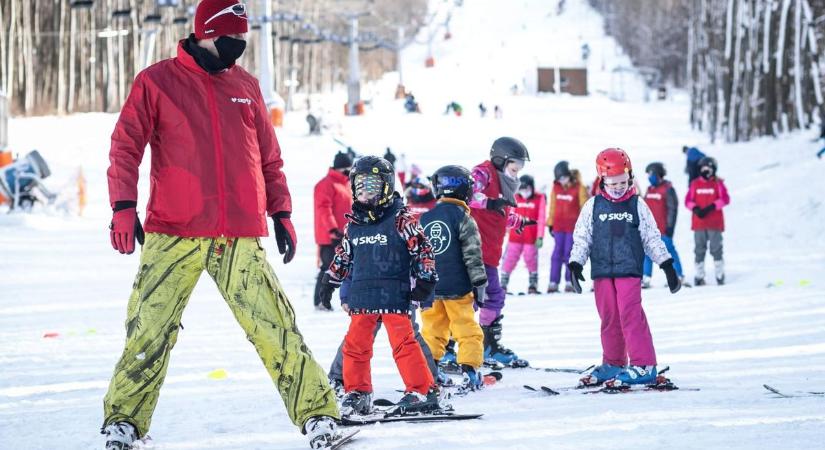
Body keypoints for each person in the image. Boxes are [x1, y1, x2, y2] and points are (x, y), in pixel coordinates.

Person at [102, 1, 340, 449]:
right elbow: (125, 146)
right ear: (207, 32)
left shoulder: (246, 86)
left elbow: (269, 158)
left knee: (274, 325)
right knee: (149, 328)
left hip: (239, 233)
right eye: (233, 37)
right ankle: (125, 422)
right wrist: (123, 205)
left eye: (244, 39)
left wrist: (281, 211)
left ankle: (318, 415)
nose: (240, 46)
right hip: (174, 229)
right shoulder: (157, 82)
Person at [318, 156, 440, 416]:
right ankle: (357, 392)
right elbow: (343, 255)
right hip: (363, 295)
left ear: (385, 186)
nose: (364, 192)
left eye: (371, 185)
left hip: (394, 294)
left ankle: (421, 391)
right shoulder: (355, 224)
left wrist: (426, 279)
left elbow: (422, 250)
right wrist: (330, 280)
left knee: (404, 344)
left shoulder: (401, 218)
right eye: (359, 186)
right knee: (355, 345)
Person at [568, 148, 681, 387]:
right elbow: (582, 238)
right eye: (613, 182)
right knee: (609, 318)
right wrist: (576, 263)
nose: (619, 186)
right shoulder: (593, 206)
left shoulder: (637, 204)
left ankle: (644, 365)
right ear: (602, 179)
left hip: (629, 270)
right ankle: (614, 363)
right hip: (601, 272)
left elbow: (651, 237)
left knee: (630, 315)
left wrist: (667, 265)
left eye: (623, 181)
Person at [420, 165, 488, 390]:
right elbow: (473, 254)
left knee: (432, 330)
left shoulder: (425, 218)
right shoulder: (464, 218)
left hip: (430, 288)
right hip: (458, 287)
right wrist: (479, 283)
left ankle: (429, 371)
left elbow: (417, 254)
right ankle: (470, 371)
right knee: (466, 328)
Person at [469, 137, 533, 367]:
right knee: (469, 300)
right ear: (500, 160)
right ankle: (448, 347)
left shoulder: (503, 186)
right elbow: (466, 195)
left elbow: (501, 215)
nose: (516, 176)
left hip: (489, 254)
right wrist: (490, 203)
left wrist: (519, 222)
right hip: (472, 253)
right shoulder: (483, 173)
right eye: (514, 169)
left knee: (492, 297)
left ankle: (487, 345)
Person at [313, 151, 353, 311]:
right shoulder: (326, 184)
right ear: (341, 168)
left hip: (345, 235)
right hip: (330, 237)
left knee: (344, 267)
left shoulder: (346, 184)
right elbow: (324, 209)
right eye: (348, 169)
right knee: (328, 267)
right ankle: (320, 300)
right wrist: (333, 229)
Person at [685, 156, 730, 286]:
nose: (705, 170)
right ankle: (699, 276)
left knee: (716, 248)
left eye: (708, 168)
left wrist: (713, 206)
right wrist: (695, 208)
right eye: (703, 168)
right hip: (699, 223)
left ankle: (719, 274)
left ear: (713, 169)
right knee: (699, 249)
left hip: (714, 223)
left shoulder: (718, 183)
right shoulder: (695, 184)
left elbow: (726, 199)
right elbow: (687, 201)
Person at [642, 162, 687, 288]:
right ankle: (645, 277)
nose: (649, 177)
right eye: (648, 174)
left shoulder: (668, 189)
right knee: (647, 253)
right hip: (649, 230)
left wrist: (670, 227)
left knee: (668, 252)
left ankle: (678, 275)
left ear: (659, 174)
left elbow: (673, 209)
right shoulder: (649, 190)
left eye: (652, 174)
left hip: (663, 229)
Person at [500, 174, 546, 294]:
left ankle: (533, 284)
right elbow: (508, 216)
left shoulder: (539, 198)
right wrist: (503, 231)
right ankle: (503, 285)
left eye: (527, 189)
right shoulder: (515, 197)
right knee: (509, 259)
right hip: (515, 238)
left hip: (531, 239)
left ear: (532, 187)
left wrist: (540, 236)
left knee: (531, 259)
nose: (525, 192)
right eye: (522, 189)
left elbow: (541, 218)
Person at [546, 161, 587, 293]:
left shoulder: (579, 187)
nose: (562, 181)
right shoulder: (556, 188)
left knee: (569, 253)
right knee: (556, 253)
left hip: (572, 227)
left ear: (569, 175)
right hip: (558, 226)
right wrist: (550, 223)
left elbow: (584, 206)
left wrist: (583, 225)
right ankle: (553, 282)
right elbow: (552, 206)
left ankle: (570, 281)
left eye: (564, 177)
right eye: (559, 179)